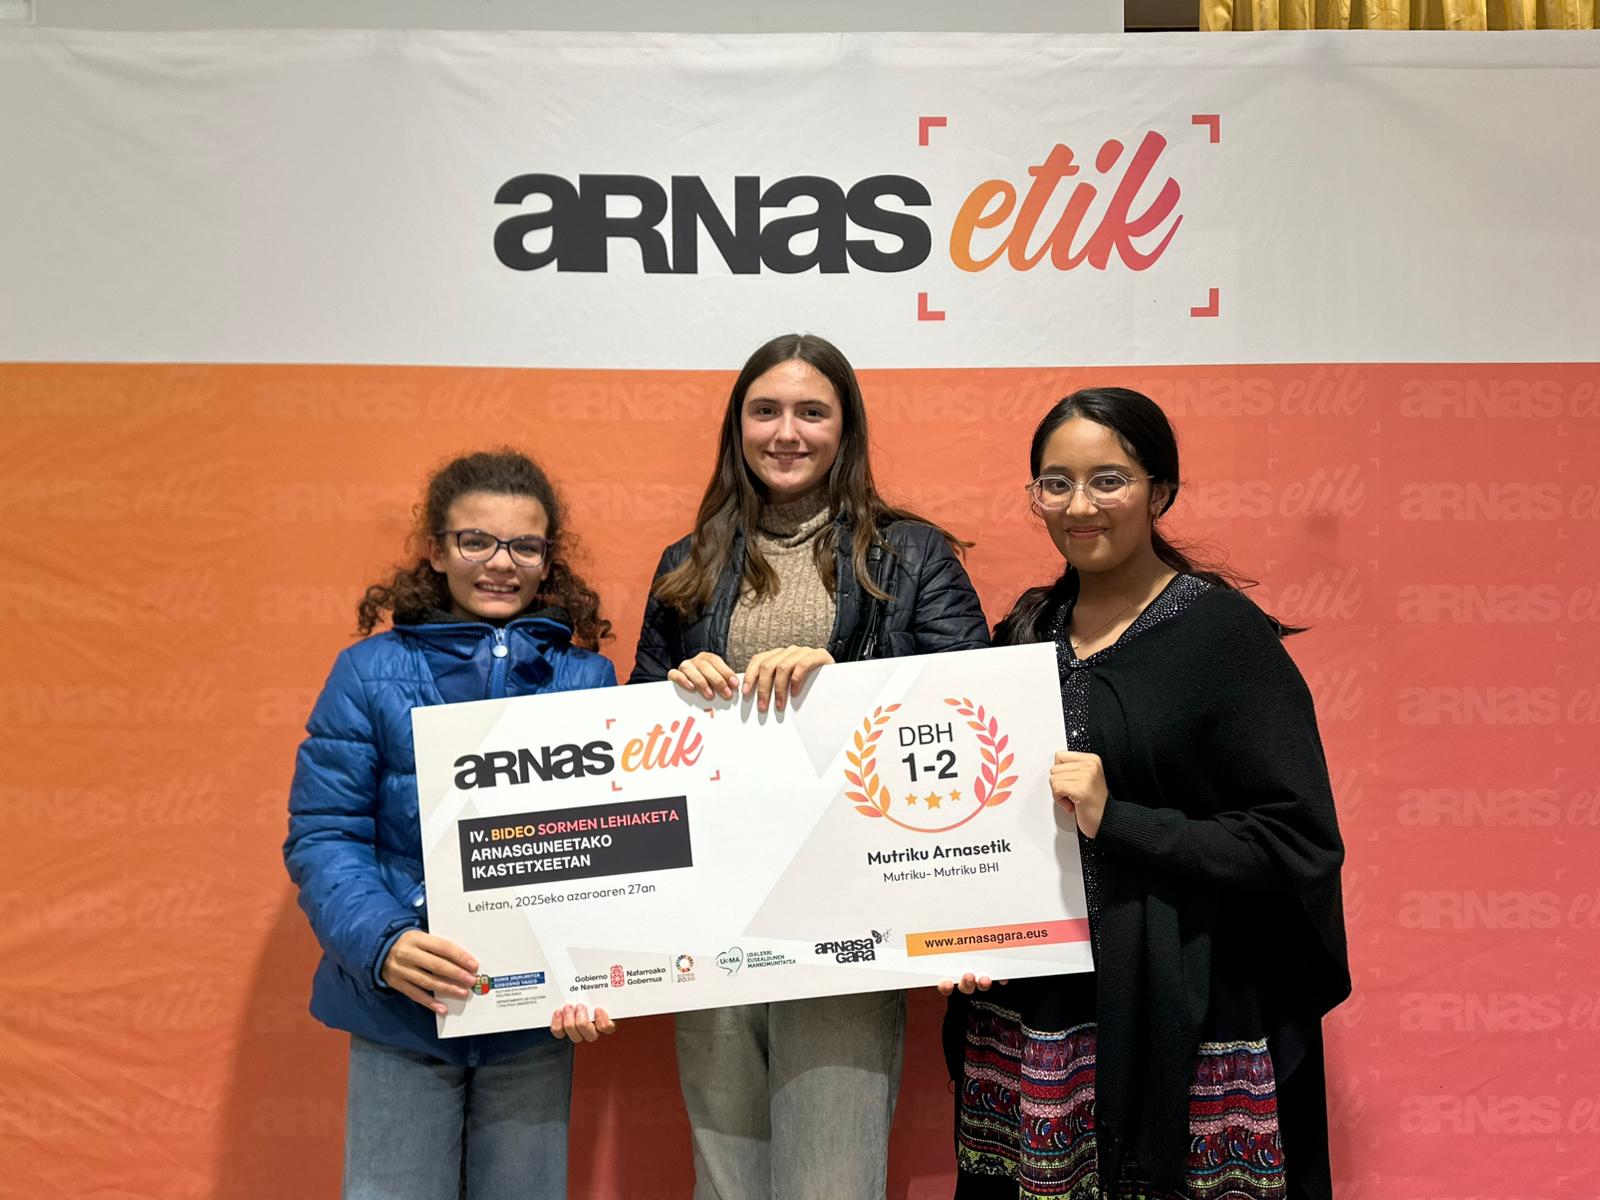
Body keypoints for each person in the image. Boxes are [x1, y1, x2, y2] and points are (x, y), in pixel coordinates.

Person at [942, 388, 1350, 1200]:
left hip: (1184, 1009)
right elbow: (974, 821)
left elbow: (1297, 841)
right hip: (1039, 1016)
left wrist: (1118, 819)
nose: (1079, 506)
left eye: (1109, 480)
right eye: (1055, 483)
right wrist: (964, 933)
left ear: (1160, 492)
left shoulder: (1224, 637)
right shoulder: (1024, 633)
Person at [631, 332, 990, 1199]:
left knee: (831, 1181)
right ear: (738, 427)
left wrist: (848, 687)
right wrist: (672, 694)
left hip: (850, 916)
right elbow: (636, 745)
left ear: (845, 428)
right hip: (717, 918)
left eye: (811, 412)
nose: (786, 432)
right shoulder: (686, 563)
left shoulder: (913, 554)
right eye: (765, 411)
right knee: (727, 1184)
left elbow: (974, 715)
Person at [284, 449, 619, 1200]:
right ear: (436, 551)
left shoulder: (586, 679)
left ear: (547, 560)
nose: (500, 563)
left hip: (534, 1022)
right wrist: (383, 943)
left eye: (524, 546)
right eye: (476, 541)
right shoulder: (366, 673)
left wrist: (595, 970)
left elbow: (610, 847)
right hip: (403, 1010)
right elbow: (325, 834)